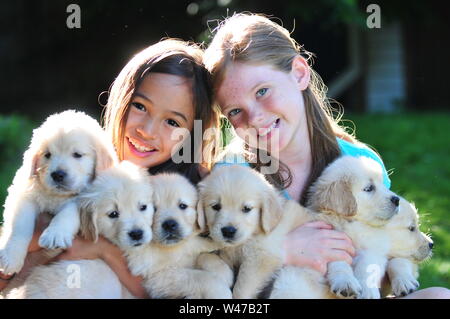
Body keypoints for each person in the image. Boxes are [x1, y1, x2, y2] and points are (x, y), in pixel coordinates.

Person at [203, 12, 449, 298]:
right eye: (235, 111)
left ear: (299, 73)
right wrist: (283, 250)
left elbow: (387, 250)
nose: (254, 118)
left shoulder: (358, 164)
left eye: (262, 91)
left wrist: (384, 269)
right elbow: (214, 264)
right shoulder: (232, 174)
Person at [0, 38, 222, 298]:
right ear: (121, 99)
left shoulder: (191, 197)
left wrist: (101, 249)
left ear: (192, 134)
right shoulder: (84, 162)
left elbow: (168, 287)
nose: (147, 131)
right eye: (140, 106)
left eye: (172, 122)